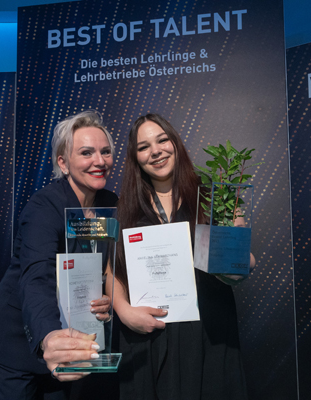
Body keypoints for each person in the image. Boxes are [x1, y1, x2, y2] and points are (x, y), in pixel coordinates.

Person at [0, 110, 118, 400]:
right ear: (63, 163)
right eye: (86, 153)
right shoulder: (44, 206)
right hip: (15, 344)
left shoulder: (110, 205)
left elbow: (105, 266)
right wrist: (50, 337)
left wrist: (107, 299)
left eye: (105, 152)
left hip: (70, 345)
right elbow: (37, 276)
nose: (99, 161)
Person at [109, 113, 255, 399]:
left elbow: (242, 260)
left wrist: (237, 265)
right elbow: (113, 270)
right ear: (135, 158)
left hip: (208, 333)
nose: (155, 151)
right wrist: (124, 311)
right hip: (151, 334)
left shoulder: (215, 196)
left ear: (175, 143)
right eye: (143, 147)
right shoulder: (126, 208)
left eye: (162, 140)